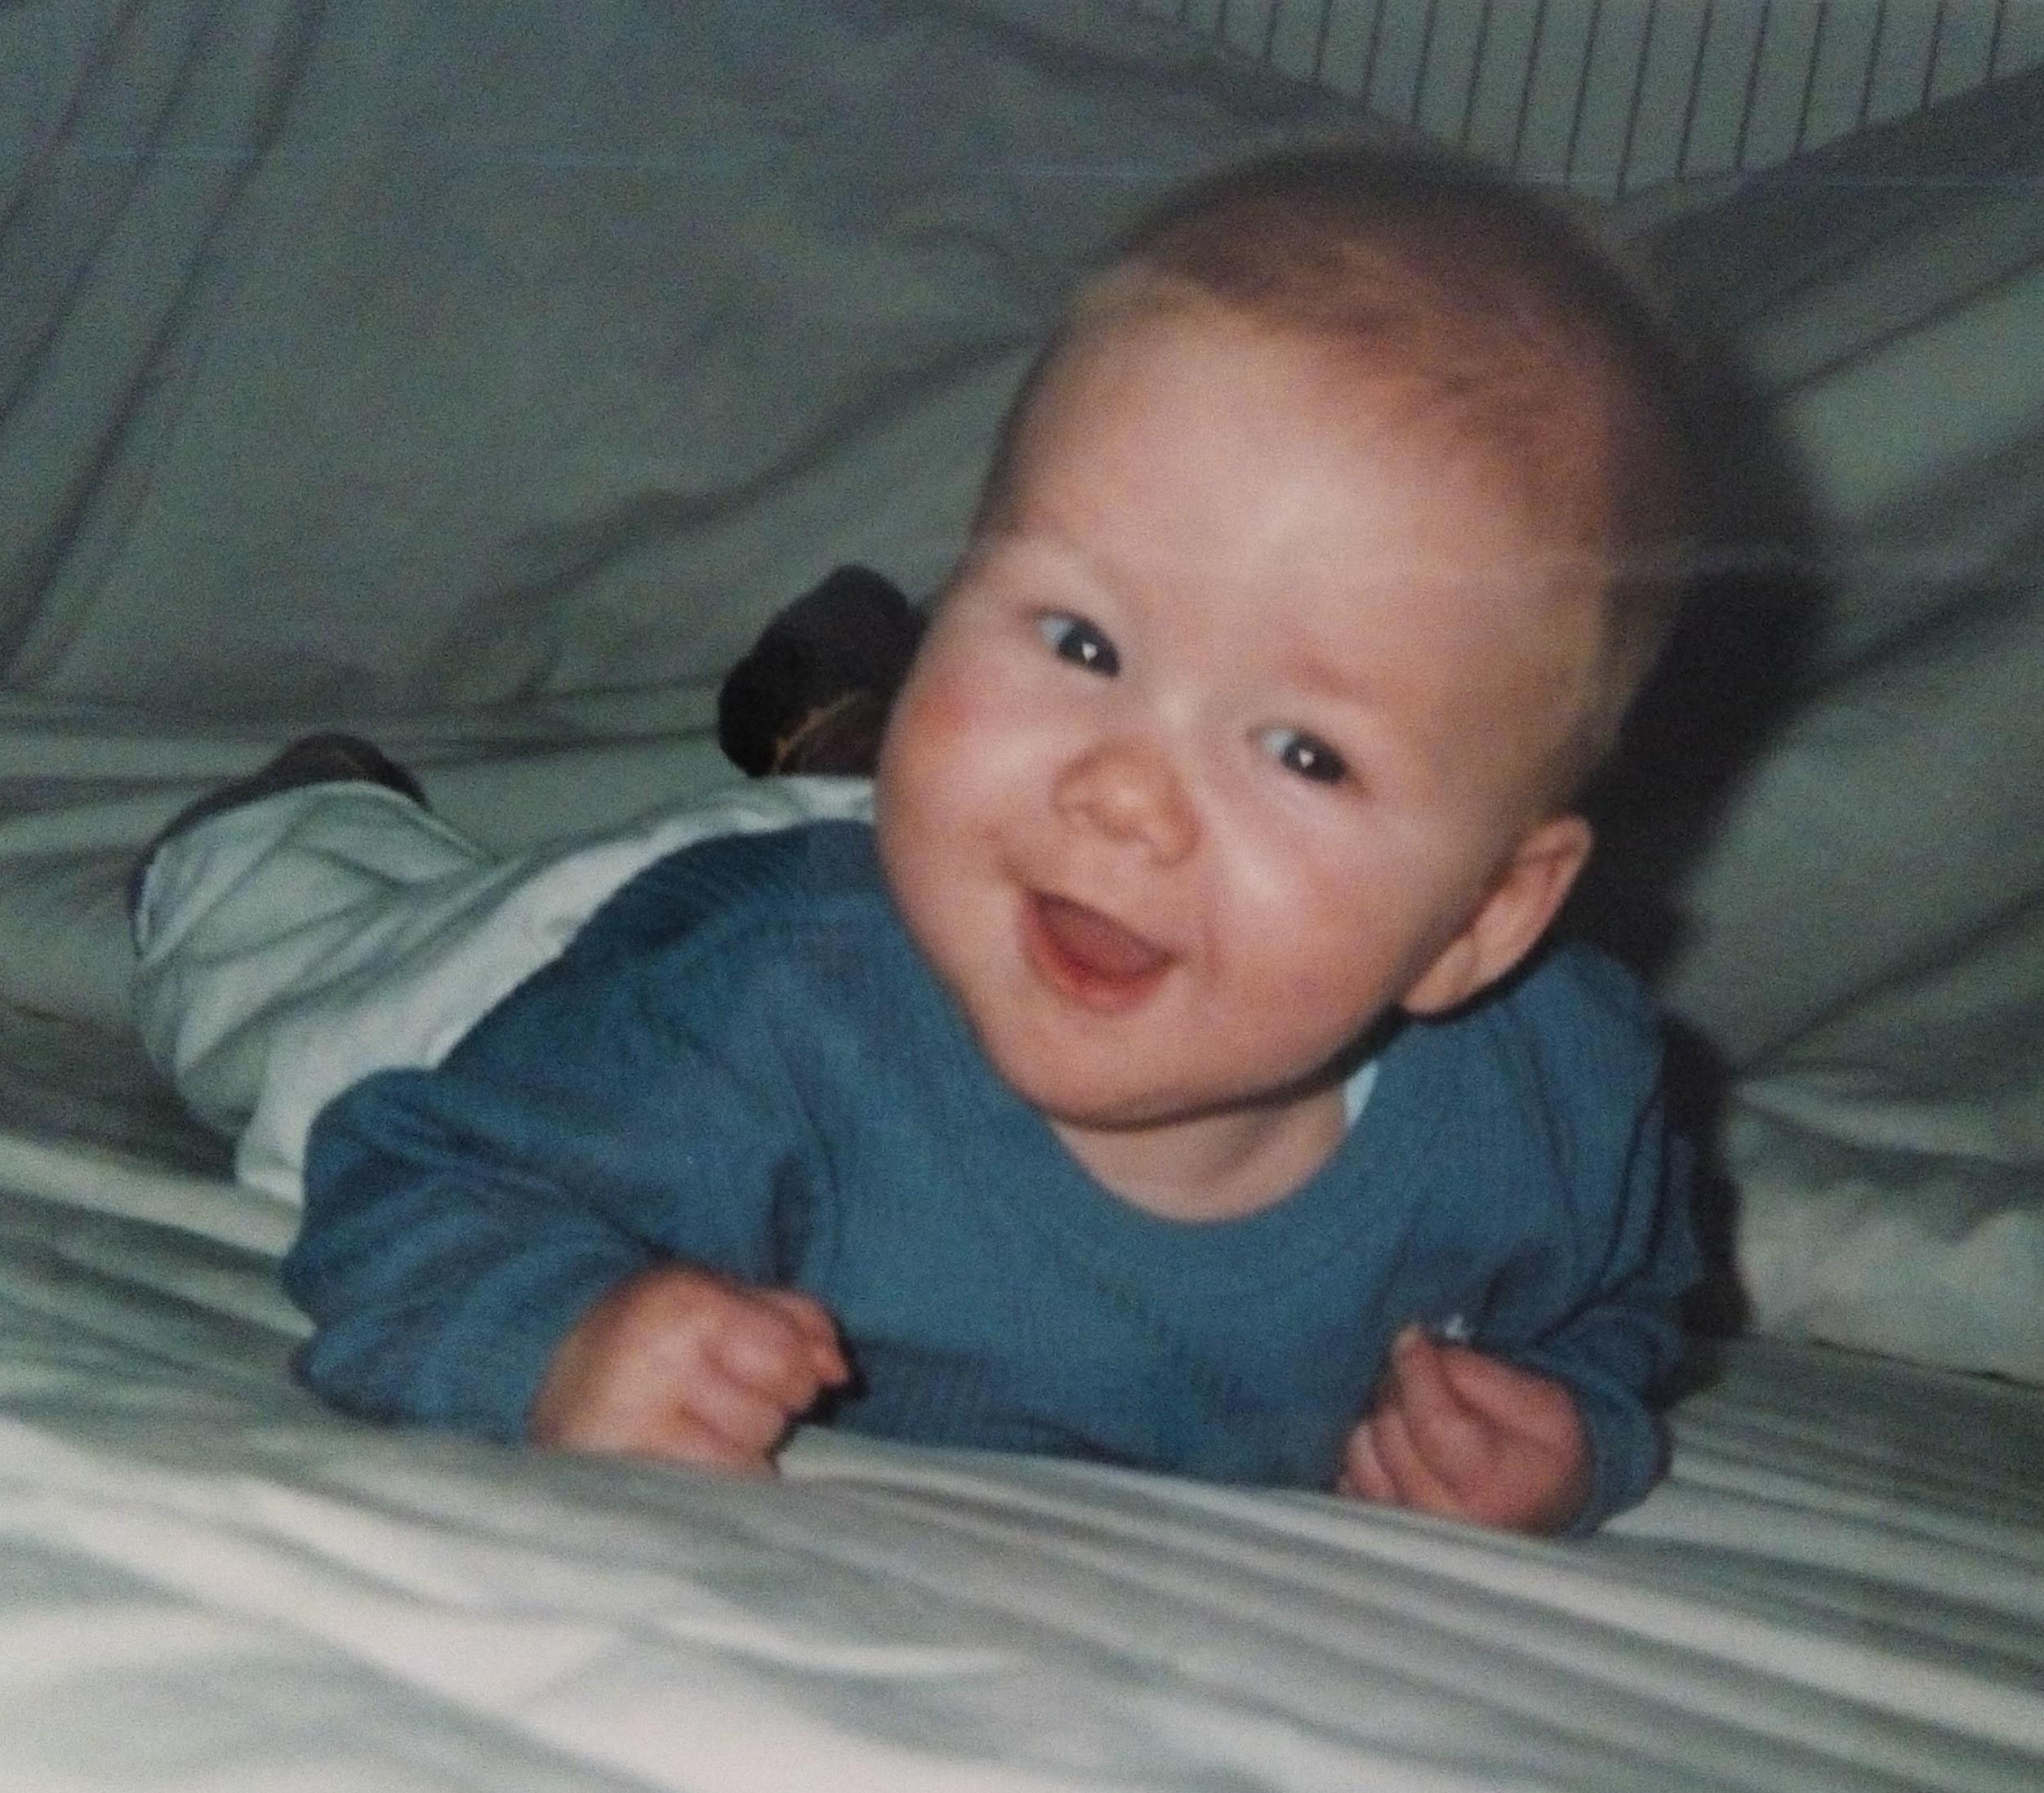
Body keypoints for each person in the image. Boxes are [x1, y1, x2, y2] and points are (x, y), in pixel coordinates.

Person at [134, 146, 1702, 1534]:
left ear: (1485, 920)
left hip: (953, 850)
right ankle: (295, 823)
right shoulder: (751, 1025)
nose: (1128, 793)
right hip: (635, 941)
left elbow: (1620, 1312)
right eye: (1081, 640)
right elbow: (403, 1183)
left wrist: (1577, 1436)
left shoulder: (1554, 1102)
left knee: (921, 791)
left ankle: (849, 708)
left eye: (1304, 750)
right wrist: (562, 1336)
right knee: (293, 1028)